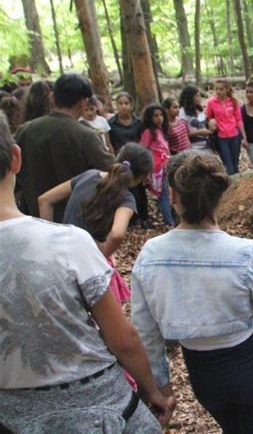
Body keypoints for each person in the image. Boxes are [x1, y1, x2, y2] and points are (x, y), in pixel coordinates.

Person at [0, 112, 174, 433]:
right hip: (97, 403)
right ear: (15, 158)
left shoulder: (88, 177)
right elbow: (124, 339)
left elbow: (44, 198)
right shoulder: (71, 243)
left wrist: (50, 227)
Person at [131, 150, 253, 433]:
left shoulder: (150, 255)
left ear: (173, 196)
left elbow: (145, 331)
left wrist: (162, 385)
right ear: (219, 195)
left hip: (203, 376)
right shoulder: (248, 254)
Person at [37, 142, 153, 300]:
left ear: (116, 158)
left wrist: (51, 239)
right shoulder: (126, 198)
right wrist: (101, 257)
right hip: (87, 261)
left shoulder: (89, 175)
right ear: (143, 176)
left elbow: (44, 200)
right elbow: (117, 234)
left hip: (61, 253)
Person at [14, 73, 113, 221]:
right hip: (78, 221)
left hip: (34, 218)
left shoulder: (25, 131)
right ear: (84, 102)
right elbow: (111, 171)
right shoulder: (86, 136)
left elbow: (11, 172)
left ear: (52, 97)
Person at [109, 92, 150, 228]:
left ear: (131, 105)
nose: (123, 106)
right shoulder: (111, 124)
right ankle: (128, 218)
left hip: (136, 159)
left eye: (126, 103)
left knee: (139, 188)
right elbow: (109, 142)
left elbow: (143, 140)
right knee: (123, 189)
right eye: (120, 103)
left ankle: (143, 216)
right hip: (120, 160)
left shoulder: (138, 123)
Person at [140, 104, 176, 227]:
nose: (159, 118)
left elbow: (166, 149)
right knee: (163, 194)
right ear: (150, 118)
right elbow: (143, 149)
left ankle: (170, 217)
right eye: (155, 116)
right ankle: (169, 222)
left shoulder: (162, 131)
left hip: (165, 166)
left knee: (167, 193)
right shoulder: (148, 132)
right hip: (156, 169)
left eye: (161, 115)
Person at [205, 78, 247, 174]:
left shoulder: (233, 101)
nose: (218, 91)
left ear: (227, 89)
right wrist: (211, 123)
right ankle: (231, 185)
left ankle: (238, 186)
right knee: (229, 167)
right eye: (216, 89)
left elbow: (239, 119)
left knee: (235, 165)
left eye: (221, 89)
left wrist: (244, 137)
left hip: (235, 136)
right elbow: (208, 118)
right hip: (221, 138)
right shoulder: (211, 102)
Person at [178, 85, 214, 150]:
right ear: (190, 97)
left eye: (199, 95)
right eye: (197, 96)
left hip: (207, 146)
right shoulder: (182, 113)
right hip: (193, 148)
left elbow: (205, 125)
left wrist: (212, 125)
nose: (200, 97)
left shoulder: (200, 110)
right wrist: (199, 132)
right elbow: (182, 134)